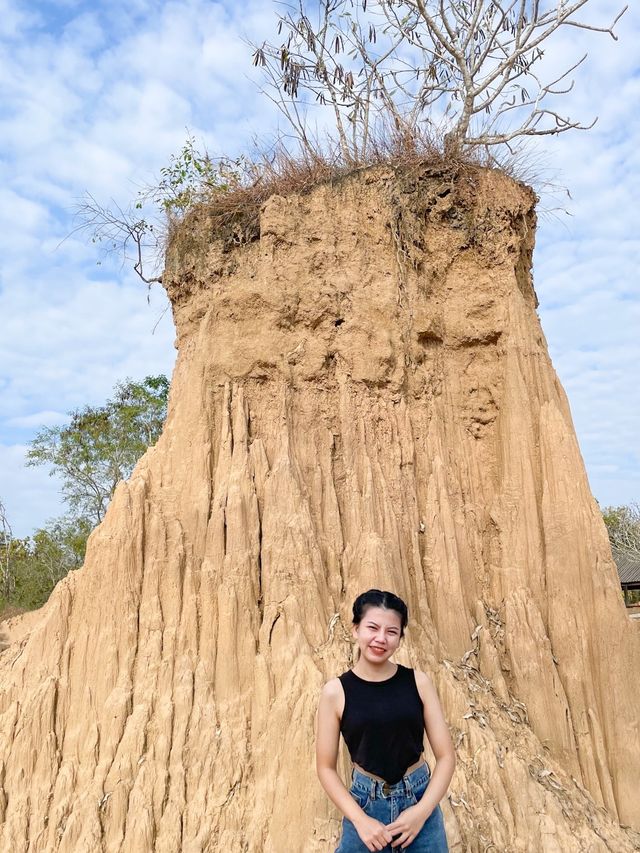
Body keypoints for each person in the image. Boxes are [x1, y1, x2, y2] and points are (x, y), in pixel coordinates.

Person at [316, 589, 455, 852]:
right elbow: (325, 768)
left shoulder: (418, 682)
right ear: (356, 629)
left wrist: (421, 813)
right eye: (372, 628)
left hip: (418, 801)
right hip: (365, 808)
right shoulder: (335, 692)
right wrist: (361, 821)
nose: (381, 638)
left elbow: (446, 756)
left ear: (400, 638)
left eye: (392, 631)